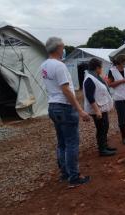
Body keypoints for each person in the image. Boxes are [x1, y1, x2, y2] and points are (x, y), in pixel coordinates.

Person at [40, 37, 90, 187]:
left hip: (53, 106)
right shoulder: (59, 65)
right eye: (62, 48)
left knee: (62, 143)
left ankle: (65, 173)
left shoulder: (44, 65)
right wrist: (80, 110)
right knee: (71, 143)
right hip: (64, 107)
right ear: (58, 49)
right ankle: (74, 177)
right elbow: (65, 89)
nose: (63, 50)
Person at [83, 58, 116, 156]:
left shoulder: (96, 76)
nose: (101, 69)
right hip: (98, 109)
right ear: (97, 68)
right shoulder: (89, 78)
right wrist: (97, 111)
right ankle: (102, 149)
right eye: (101, 67)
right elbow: (89, 96)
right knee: (101, 128)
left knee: (105, 127)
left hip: (102, 107)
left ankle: (105, 146)